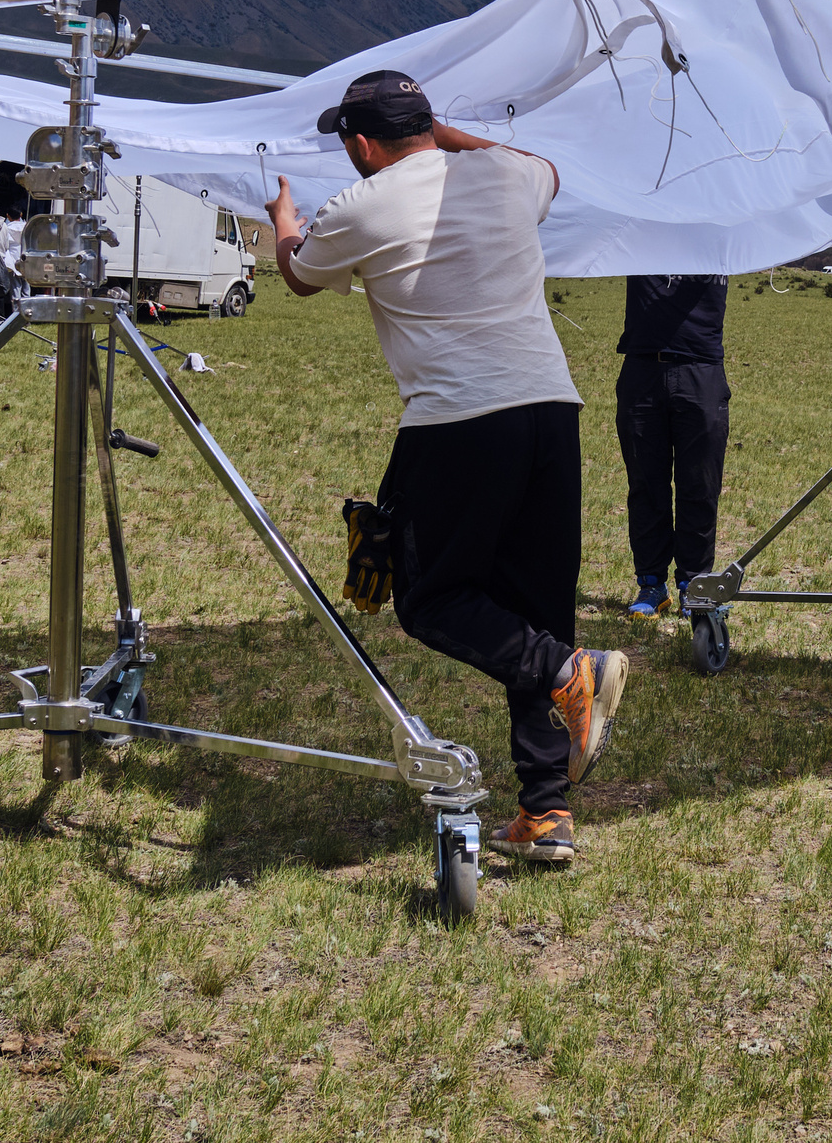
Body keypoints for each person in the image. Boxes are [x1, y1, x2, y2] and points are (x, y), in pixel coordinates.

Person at [268, 70, 629, 867]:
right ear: (428, 126)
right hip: (551, 410)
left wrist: (283, 222)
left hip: (459, 420)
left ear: (363, 144)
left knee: (431, 598)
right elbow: (545, 168)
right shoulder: (507, 174)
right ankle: (545, 810)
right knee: (535, 607)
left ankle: (569, 672)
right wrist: (448, 137)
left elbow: (298, 275)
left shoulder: (360, 205)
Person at [615, 275, 731, 616]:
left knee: (701, 484)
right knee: (646, 484)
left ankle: (694, 585)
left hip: (701, 367)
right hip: (642, 366)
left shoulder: (720, 242)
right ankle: (651, 584)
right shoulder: (641, 239)